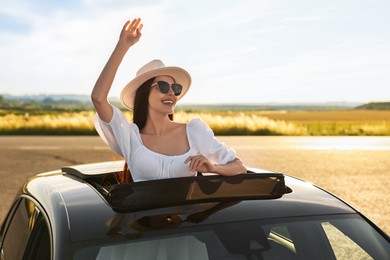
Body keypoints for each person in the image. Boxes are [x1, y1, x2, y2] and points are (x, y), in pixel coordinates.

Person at [91, 18, 246, 182]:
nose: (172, 93)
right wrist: (122, 46)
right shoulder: (130, 136)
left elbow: (239, 167)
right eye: (164, 87)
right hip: (143, 209)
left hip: (189, 209)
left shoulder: (194, 131)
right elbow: (98, 98)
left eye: (176, 88)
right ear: (144, 93)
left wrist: (213, 168)